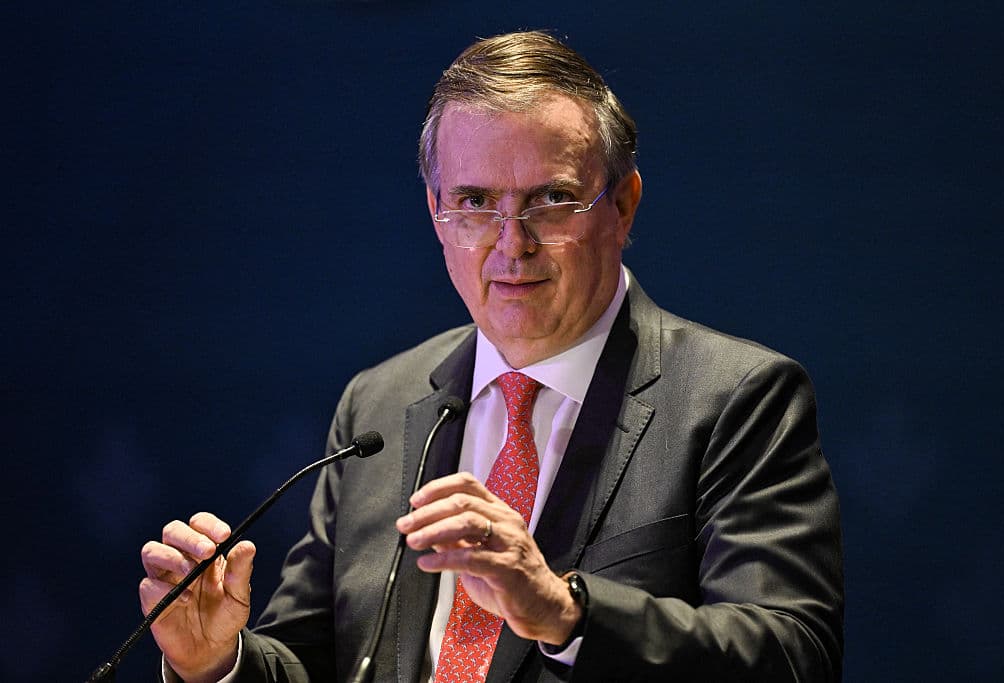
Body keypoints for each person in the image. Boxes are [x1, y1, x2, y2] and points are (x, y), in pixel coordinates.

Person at [139, 30, 843, 682]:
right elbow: (314, 660)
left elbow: (791, 653)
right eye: (475, 201)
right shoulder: (378, 403)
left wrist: (567, 614)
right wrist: (216, 662)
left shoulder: (735, 397)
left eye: (552, 199)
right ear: (434, 212)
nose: (512, 244)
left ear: (622, 205)